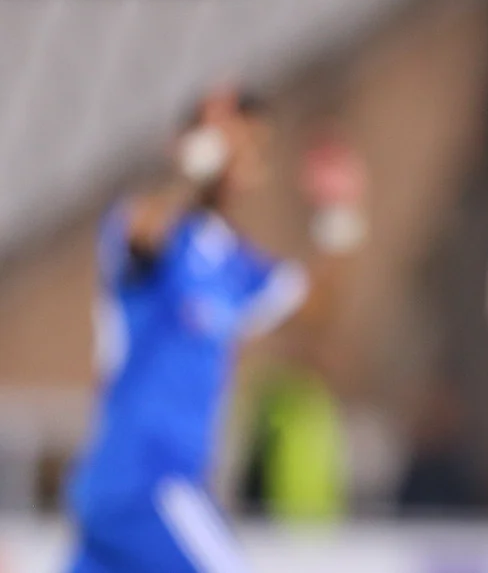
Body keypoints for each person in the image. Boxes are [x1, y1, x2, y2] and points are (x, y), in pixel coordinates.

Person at [66, 88, 367, 573]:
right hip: (146, 480)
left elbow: (317, 306)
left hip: (144, 491)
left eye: (254, 150)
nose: (246, 162)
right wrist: (197, 164)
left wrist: (339, 214)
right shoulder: (149, 228)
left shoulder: (233, 263)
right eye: (237, 145)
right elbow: (144, 235)